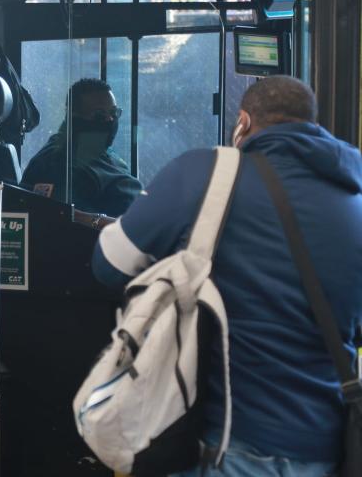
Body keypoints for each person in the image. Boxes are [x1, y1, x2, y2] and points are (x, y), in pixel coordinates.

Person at [91, 76, 362, 477]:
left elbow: (109, 263)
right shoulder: (353, 196)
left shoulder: (206, 172)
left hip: (230, 443)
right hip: (325, 448)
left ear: (243, 122)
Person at [20, 78, 142, 220]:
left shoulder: (101, 152)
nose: (110, 120)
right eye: (99, 115)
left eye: (114, 113)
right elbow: (65, 220)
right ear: (74, 117)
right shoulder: (59, 163)